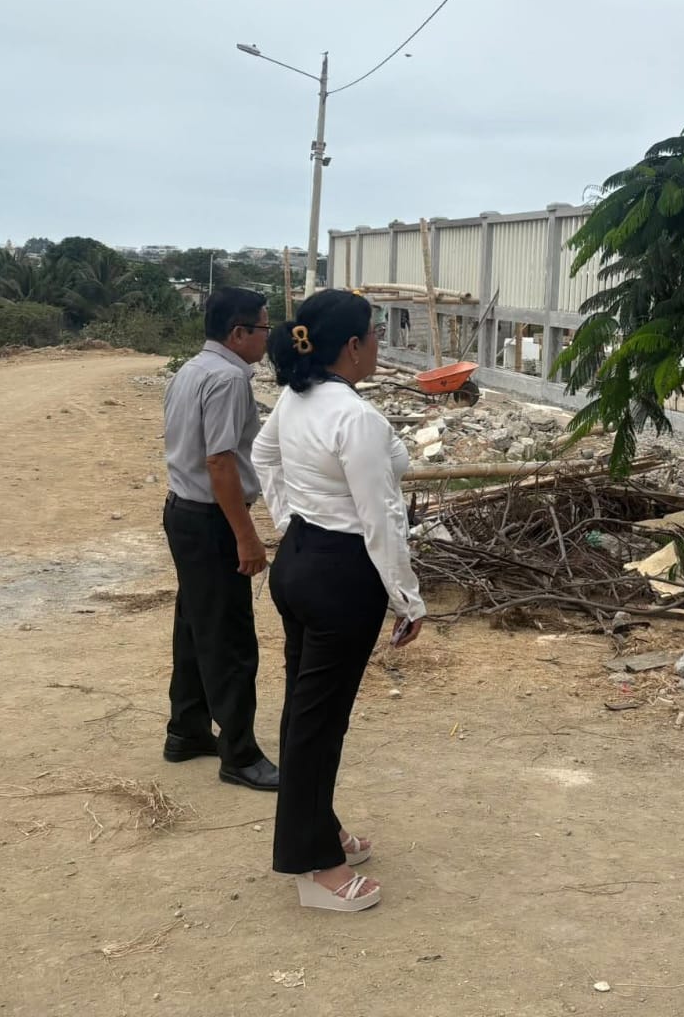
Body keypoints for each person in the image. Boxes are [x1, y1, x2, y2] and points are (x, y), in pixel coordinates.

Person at [251, 290, 425, 913]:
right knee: (318, 723)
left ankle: (320, 830)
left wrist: (291, 518)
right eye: (375, 334)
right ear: (353, 346)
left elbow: (264, 455)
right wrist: (407, 599)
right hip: (340, 577)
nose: (379, 344)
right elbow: (382, 518)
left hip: (301, 561)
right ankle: (313, 863)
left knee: (308, 714)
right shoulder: (354, 417)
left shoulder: (299, 398)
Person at [160, 287, 280, 792]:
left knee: (195, 625)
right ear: (238, 333)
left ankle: (187, 729)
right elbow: (220, 461)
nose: (267, 338)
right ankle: (240, 755)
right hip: (211, 519)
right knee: (230, 639)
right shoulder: (229, 379)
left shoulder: (191, 370)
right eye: (264, 328)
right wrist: (245, 537)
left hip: (183, 512)